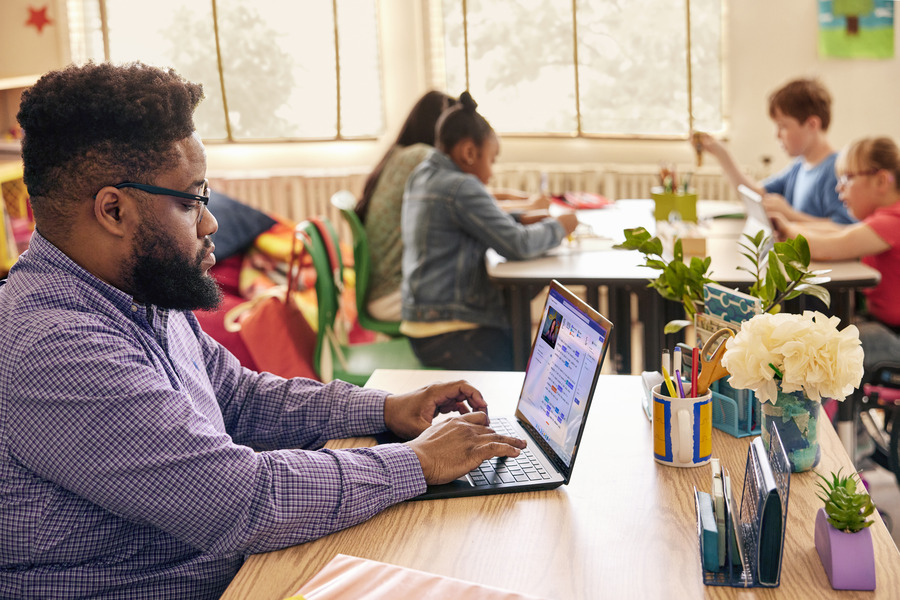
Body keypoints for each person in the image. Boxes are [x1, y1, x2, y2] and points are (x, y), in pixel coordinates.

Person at [0, 62, 527, 599]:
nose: (210, 224)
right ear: (114, 210)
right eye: (190, 201)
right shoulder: (55, 347)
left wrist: (385, 410)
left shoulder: (139, 291)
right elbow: (239, 502)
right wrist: (416, 460)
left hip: (237, 571)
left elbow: (239, 399)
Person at [400, 92, 578, 371]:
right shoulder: (461, 187)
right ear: (469, 152)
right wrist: (560, 226)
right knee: (520, 356)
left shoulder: (422, 175)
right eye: (492, 160)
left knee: (516, 321)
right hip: (451, 333)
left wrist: (522, 217)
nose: (492, 172)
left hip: (421, 326)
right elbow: (518, 245)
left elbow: (477, 220)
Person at [357, 91, 550, 322]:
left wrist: (522, 203)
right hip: (399, 291)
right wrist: (529, 207)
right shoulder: (424, 159)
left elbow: (475, 198)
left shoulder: (402, 155)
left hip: (391, 283)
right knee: (496, 290)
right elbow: (469, 201)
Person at [771, 136, 900, 371]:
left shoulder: (892, 221)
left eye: (847, 178)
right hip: (881, 325)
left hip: (893, 337)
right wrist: (790, 227)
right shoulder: (885, 218)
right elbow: (838, 229)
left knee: (816, 347)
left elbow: (830, 247)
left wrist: (788, 230)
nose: (838, 187)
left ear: (881, 180)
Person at [694, 77, 854, 224]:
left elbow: (844, 228)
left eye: (783, 126)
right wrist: (721, 154)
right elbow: (755, 195)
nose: (777, 135)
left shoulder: (836, 170)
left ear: (812, 124)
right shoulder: (799, 167)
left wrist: (789, 215)